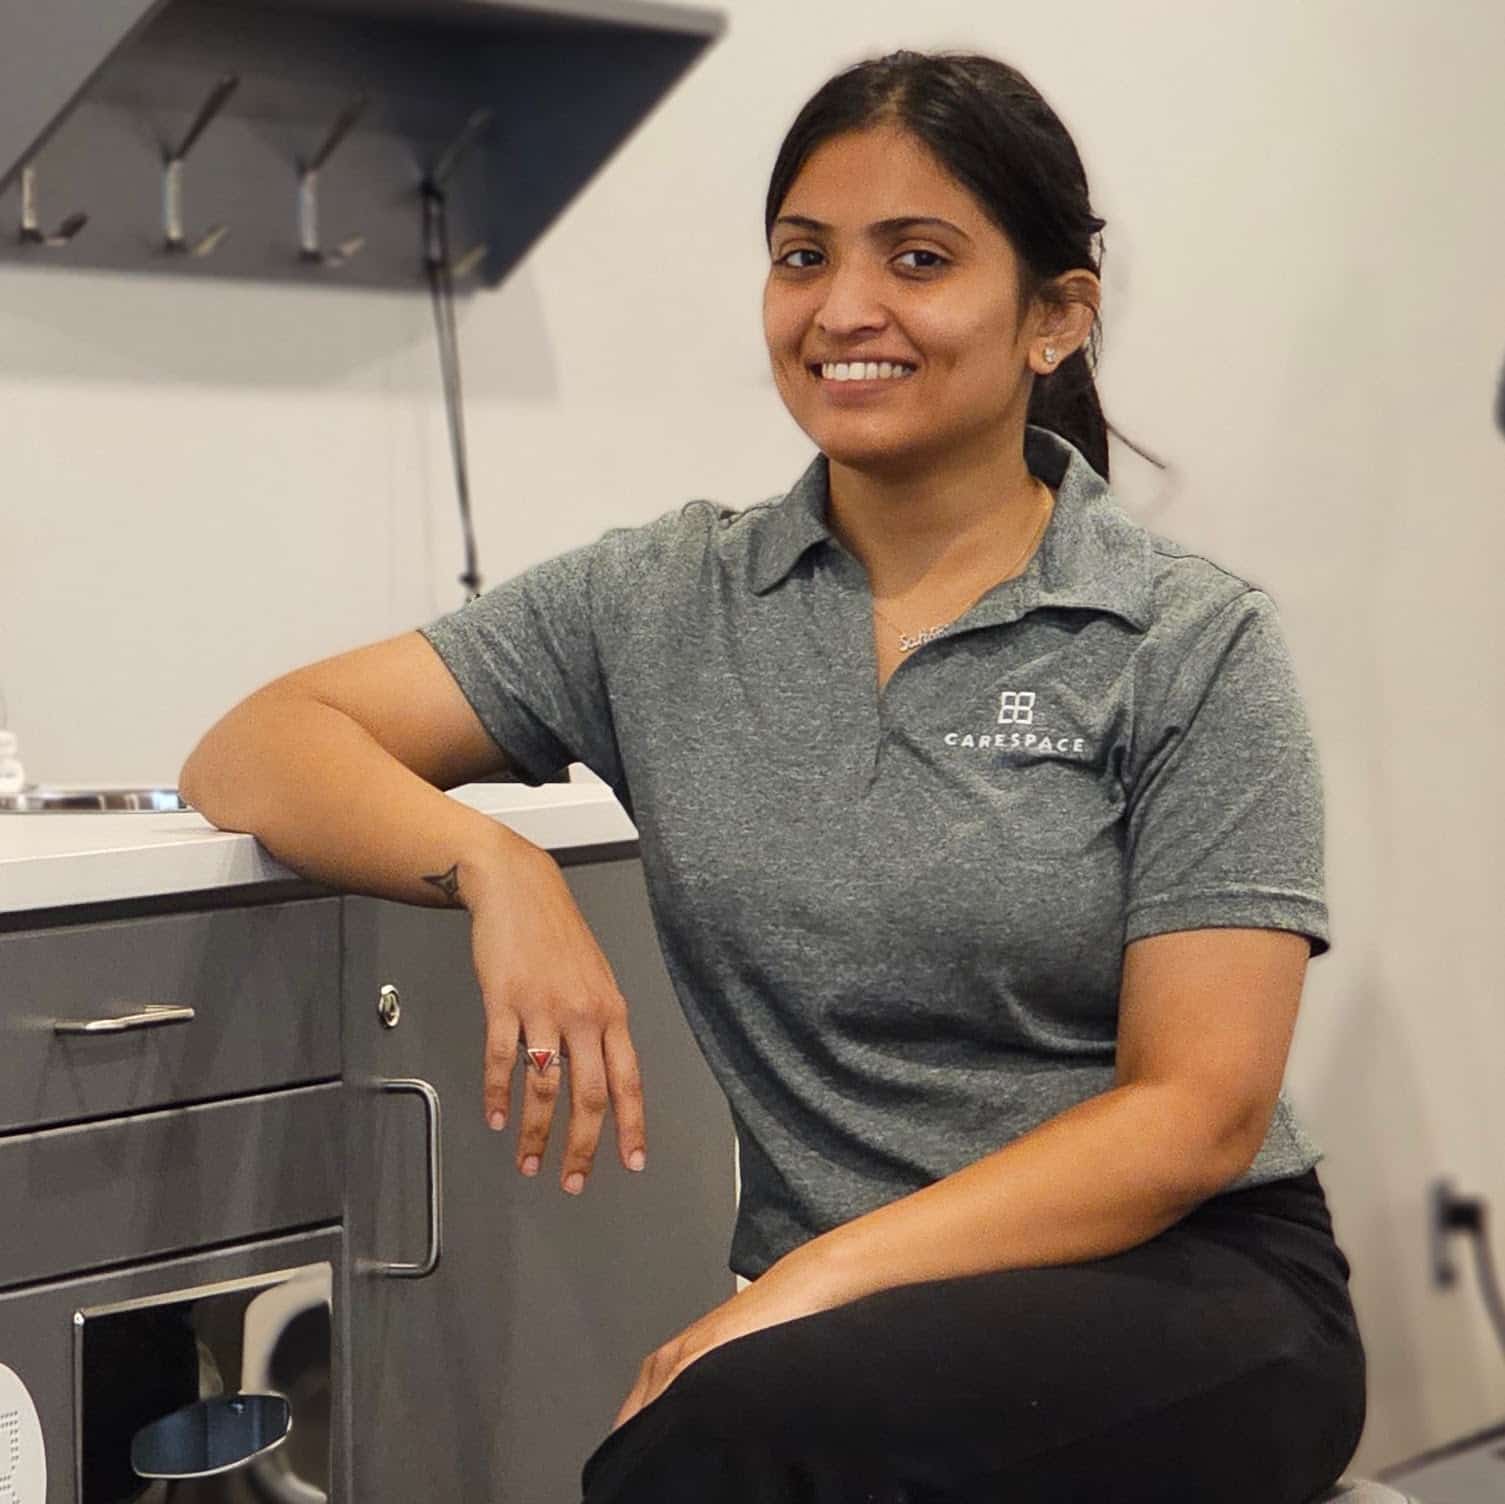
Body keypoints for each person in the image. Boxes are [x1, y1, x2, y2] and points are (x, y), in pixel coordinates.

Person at [180, 48, 1367, 1504]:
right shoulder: (664, 599)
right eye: (801, 257)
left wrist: (806, 1283)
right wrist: (497, 868)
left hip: (1193, 1293)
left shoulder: (1183, 639)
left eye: (917, 259)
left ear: (1054, 315)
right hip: (852, 1329)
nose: (843, 309)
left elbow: (1193, 1117)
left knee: (731, 1438)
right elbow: (257, 743)